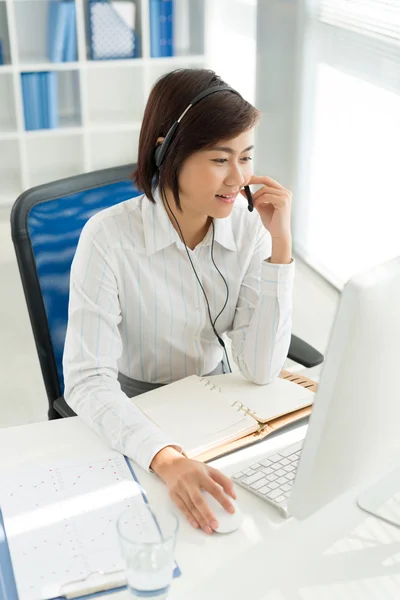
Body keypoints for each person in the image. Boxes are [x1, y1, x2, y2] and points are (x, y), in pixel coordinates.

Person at [63, 68, 294, 535]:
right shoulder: (108, 237)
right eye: (219, 159)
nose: (238, 179)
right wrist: (165, 457)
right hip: (134, 411)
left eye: (246, 158)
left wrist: (280, 248)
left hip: (216, 409)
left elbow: (260, 368)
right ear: (167, 152)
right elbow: (87, 380)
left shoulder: (249, 228)